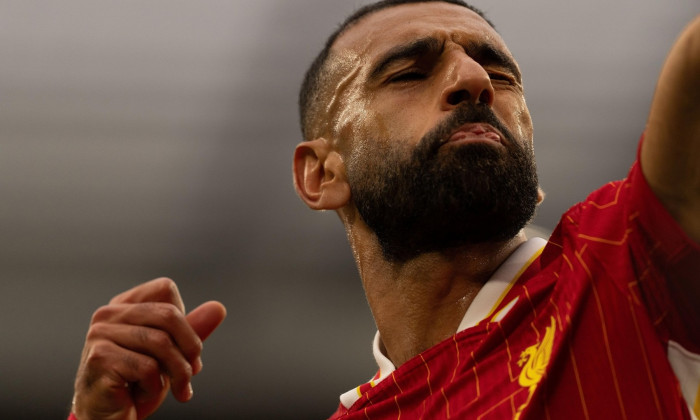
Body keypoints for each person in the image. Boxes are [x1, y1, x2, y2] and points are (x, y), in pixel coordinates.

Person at [68, 0, 700, 419]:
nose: (472, 78)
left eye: (499, 74)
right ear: (320, 175)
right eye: (408, 73)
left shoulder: (625, 263)